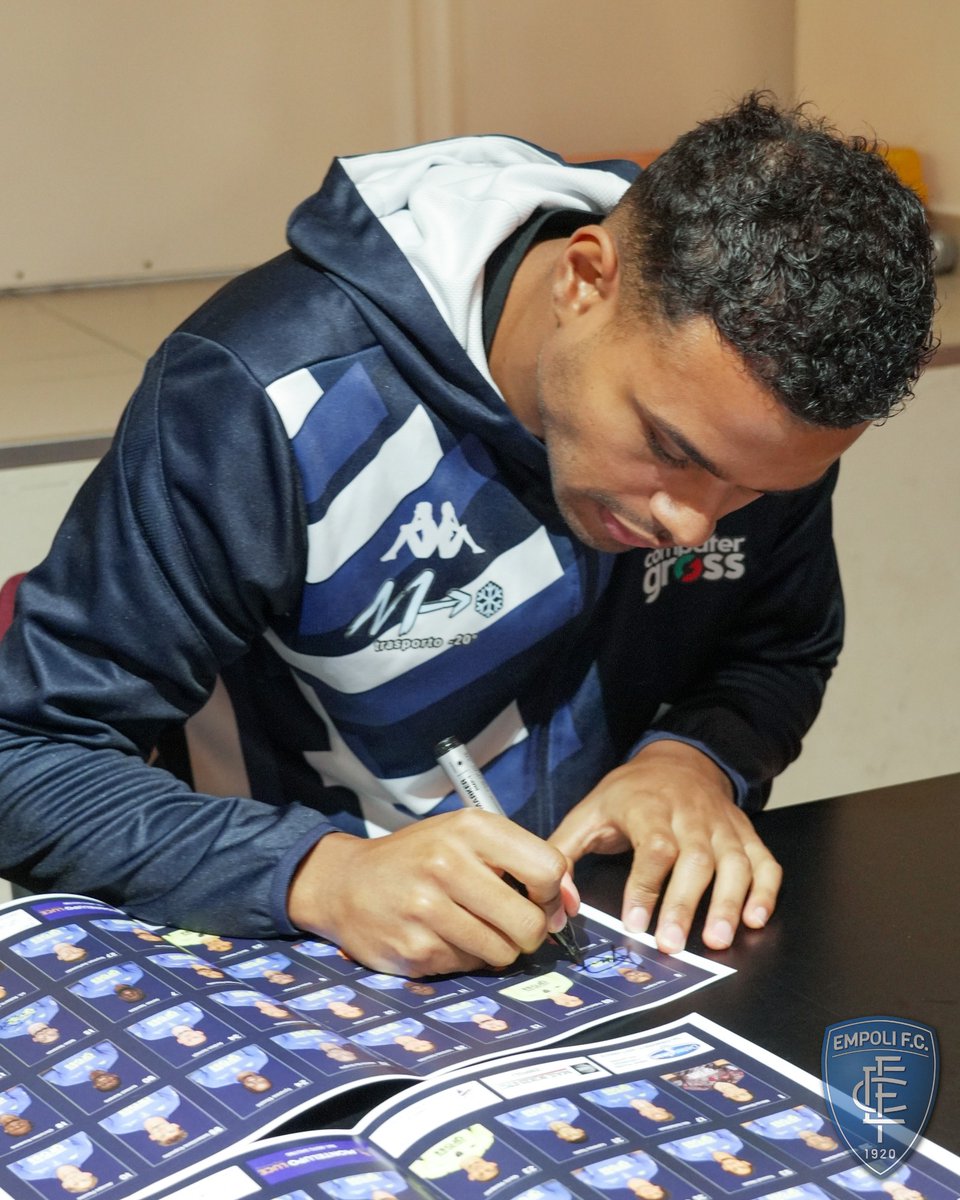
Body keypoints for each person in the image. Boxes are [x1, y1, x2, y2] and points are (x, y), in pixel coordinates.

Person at [0, 94, 935, 976]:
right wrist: (320, 876)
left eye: (754, 490)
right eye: (665, 448)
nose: (691, 522)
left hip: (591, 959)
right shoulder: (266, 393)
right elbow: (27, 757)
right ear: (583, 280)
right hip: (296, 961)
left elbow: (778, 651)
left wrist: (693, 761)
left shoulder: (752, 423)